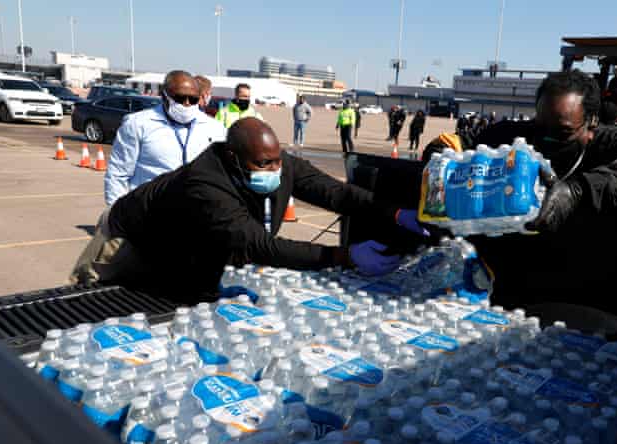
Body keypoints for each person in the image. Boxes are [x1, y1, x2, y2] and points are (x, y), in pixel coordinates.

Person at [70, 118, 428, 302]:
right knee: (93, 308)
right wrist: (346, 256)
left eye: (277, 162)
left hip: (184, 252)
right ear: (232, 157)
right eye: (263, 164)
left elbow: (336, 193)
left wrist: (395, 214)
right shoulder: (205, 184)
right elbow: (260, 246)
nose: (275, 171)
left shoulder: (276, 162)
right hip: (128, 240)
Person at [423, 70, 617, 232]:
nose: (545, 138)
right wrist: (440, 160)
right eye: (541, 125)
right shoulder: (516, 135)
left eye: (562, 132)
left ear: (591, 124)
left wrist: (577, 191)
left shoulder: (605, 141)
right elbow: (455, 142)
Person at [103, 70, 226, 206]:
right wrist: (116, 215)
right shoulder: (138, 124)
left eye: (193, 99)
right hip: (149, 214)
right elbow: (118, 174)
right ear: (164, 96)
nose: (186, 104)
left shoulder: (215, 129)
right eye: (180, 98)